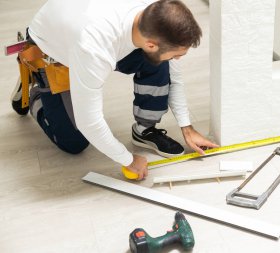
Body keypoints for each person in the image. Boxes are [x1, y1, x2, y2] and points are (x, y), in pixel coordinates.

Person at [11, 0, 218, 180]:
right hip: (54, 48)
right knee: (74, 142)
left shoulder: (155, 14)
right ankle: (36, 88)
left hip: (86, 34)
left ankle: (145, 129)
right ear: (151, 44)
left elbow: (175, 76)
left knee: (160, 62)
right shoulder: (94, 47)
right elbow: (89, 123)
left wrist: (186, 127)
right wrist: (128, 159)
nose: (179, 59)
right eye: (177, 54)